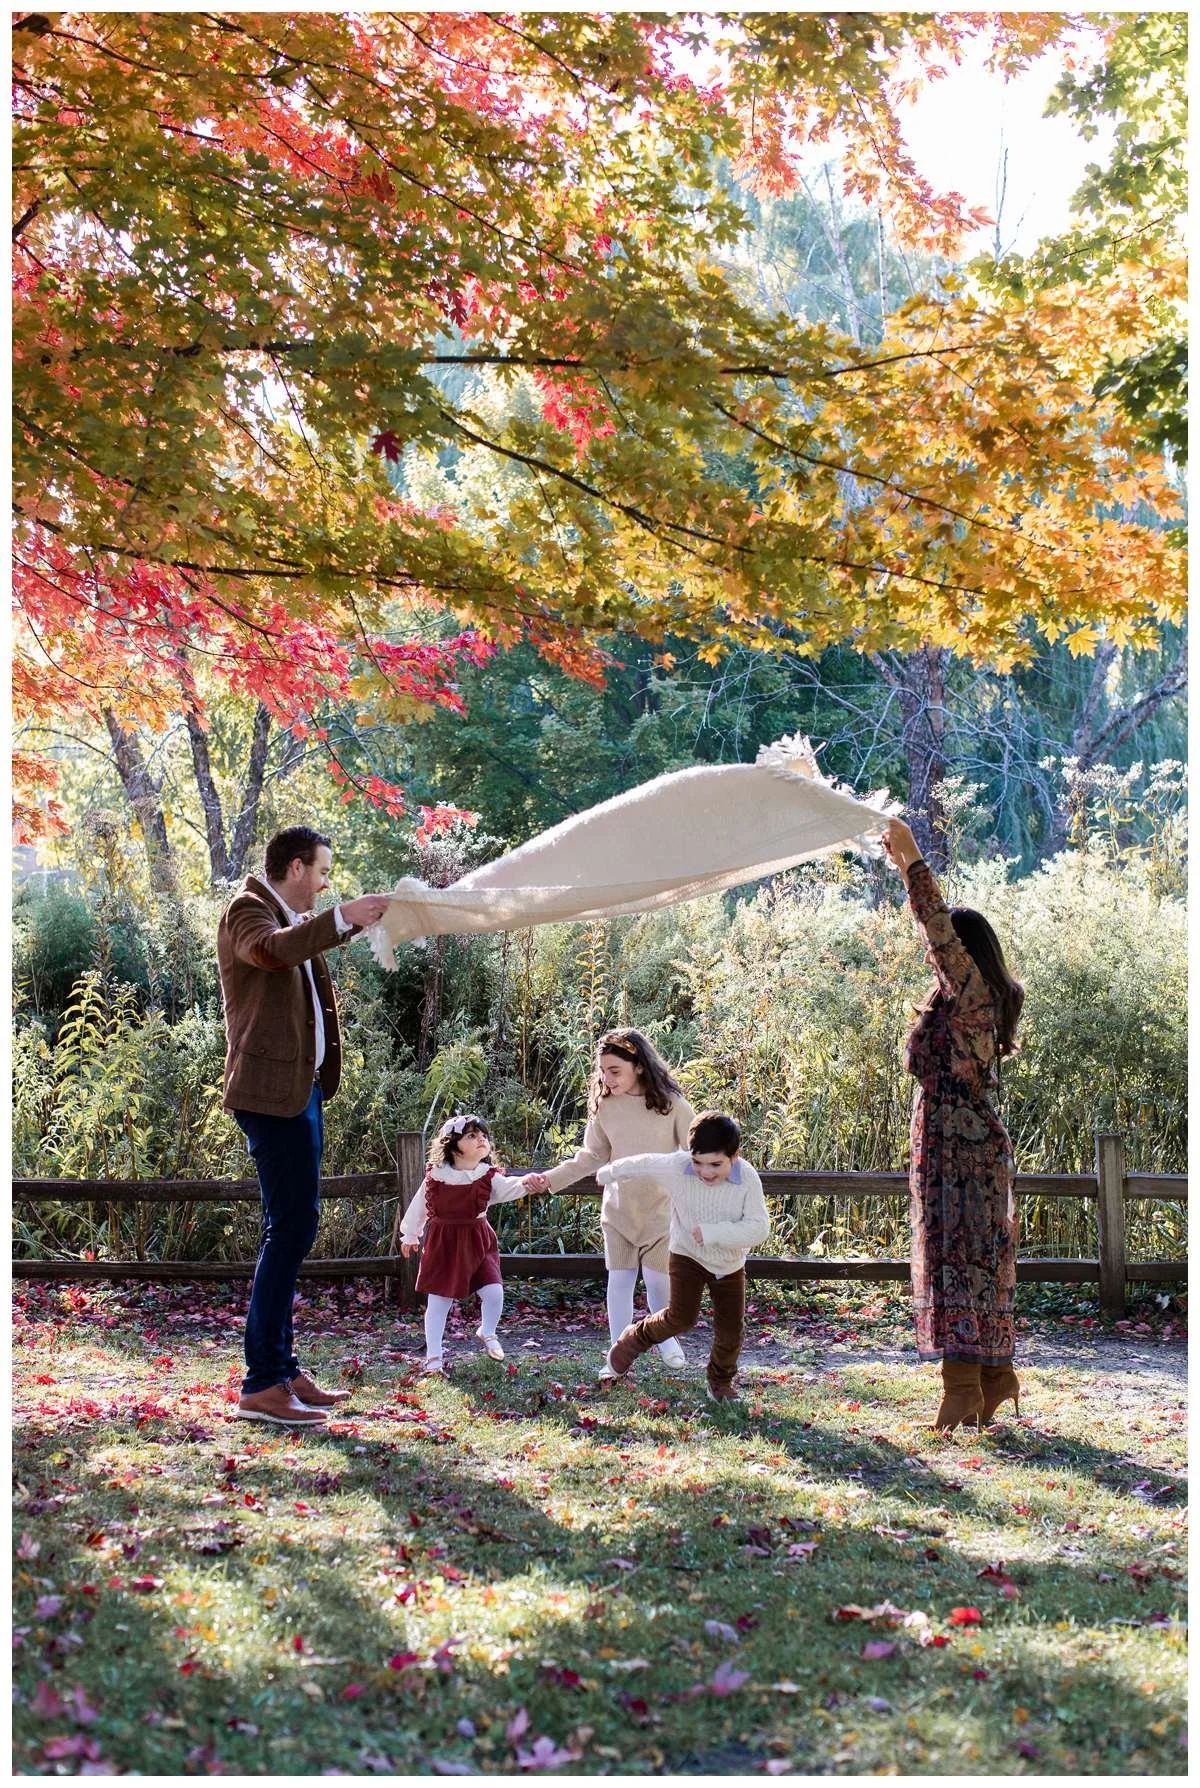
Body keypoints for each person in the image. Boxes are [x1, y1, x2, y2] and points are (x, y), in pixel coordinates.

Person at [217, 825, 392, 1427]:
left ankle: (283, 1370)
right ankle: (262, 1382)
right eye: (321, 871)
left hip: (300, 1095)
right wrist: (342, 917)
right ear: (294, 867)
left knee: (294, 1226)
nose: (324, 882)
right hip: (271, 1099)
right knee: (289, 1229)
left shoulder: (286, 914)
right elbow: (271, 951)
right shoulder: (248, 911)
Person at [881, 818, 1025, 1431]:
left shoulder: (971, 997)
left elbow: (937, 931)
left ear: (965, 955)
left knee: (960, 1261)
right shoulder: (966, 1001)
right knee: (968, 1260)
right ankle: (991, 1383)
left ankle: (964, 1388)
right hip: (951, 1143)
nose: (940, 961)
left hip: (959, 1148)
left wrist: (913, 863)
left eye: (950, 955)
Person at [524, 1028, 695, 1379]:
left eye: (615, 1070)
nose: (606, 1078)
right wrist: (550, 1179)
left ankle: (664, 1338)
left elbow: (695, 1154)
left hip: (661, 1214)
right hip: (618, 1213)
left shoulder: (672, 1105)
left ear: (640, 1066)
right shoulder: (605, 1106)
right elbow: (591, 1156)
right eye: (602, 1070)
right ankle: (617, 1359)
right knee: (618, 1285)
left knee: (658, 1286)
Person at [601, 1110, 769, 1402]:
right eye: (698, 1163)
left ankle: (719, 1382)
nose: (706, 1172)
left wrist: (714, 1233)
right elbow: (643, 1163)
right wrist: (610, 1173)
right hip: (686, 1255)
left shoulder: (748, 1179)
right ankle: (627, 1343)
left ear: (735, 1155)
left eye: (716, 1164)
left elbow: (759, 1228)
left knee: (731, 1330)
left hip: (728, 1264)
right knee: (680, 1318)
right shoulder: (677, 1167)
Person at [399, 1114, 542, 1373]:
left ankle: (487, 1331)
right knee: (438, 1302)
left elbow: (511, 1186)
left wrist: (527, 1183)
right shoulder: (436, 1176)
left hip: (478, 1241)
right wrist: (410, 1234)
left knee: (494, 1292)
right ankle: (433, 1357)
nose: (481, 1140)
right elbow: (419, 1206)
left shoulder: (486, 1176)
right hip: (444, 1242)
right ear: (452, 1145)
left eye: (484, 1136)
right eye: (472, 1136)